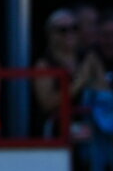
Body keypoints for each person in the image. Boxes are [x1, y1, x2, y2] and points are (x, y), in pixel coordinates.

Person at [32, 8, 108, 137]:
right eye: (63, 30)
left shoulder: (89, 58)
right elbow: (47, 104)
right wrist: (79, 82)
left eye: (75, 28)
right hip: (57, 134)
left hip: (93, 130)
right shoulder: (44, 65)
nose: (70, 33)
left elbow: (105, 90)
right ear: (50, 34)